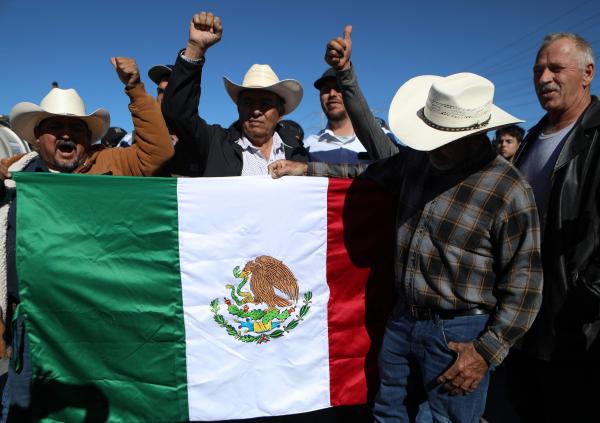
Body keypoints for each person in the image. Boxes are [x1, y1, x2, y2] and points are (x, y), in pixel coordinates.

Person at [269, 72, 543, 422]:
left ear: (478, 133)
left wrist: (485, 352)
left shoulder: (510, 190)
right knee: (388, 413)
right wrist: (305, 169)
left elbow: (526, 287)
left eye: (447, 138)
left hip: (460, 333)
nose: (435, 148)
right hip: (402, 319)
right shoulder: (418, 161)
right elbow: (363, 174)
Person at [0, 57, 173, 420]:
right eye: (55, 127)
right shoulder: (15, 177)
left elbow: (158, 152)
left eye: (76, 128)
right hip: (33, 325)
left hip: (98, 323)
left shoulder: (110, 164)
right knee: (23, 412)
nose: (66, 134)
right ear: (37, 136)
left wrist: (135, 88)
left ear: (88, 137)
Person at [509, 32, 600, 423]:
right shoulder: (532, 140)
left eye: (555, 68)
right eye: (538, 70)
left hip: (579, 335)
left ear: (588, 74)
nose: (544, 78)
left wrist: (586, 296)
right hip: (524, 327)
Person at [161, 11, 307, 177]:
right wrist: (195, 49)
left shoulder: (299, 154)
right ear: (238, 107)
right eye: (248, 102)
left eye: (265, 103)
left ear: (280, 113)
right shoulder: (214, 145)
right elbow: (178, 113)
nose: (256, 110)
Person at [305, 26, 399, 164]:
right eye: (325, 90)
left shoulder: (384, 139)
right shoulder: (309, 146)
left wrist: (344, 70)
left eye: (338, 88)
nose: (332, 94)